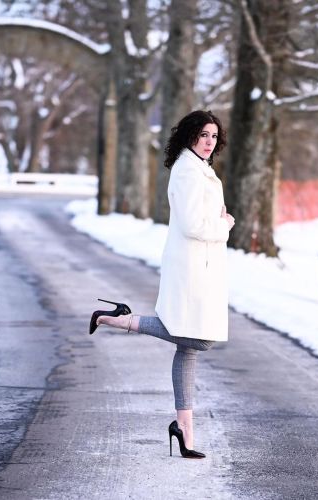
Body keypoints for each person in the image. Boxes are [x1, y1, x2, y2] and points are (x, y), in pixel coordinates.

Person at [89, 110, 235, 459]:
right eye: (202, 135)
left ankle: (184, 432)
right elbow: (193, 225)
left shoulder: (202, 170)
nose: (208, 141)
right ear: (189, 136)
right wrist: (225, 225)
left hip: (203, 264)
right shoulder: (187, 172)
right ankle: (119, 320)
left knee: (188, 348)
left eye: (213, 136)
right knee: (198, 336)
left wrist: (218, 221)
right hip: (192, 267)